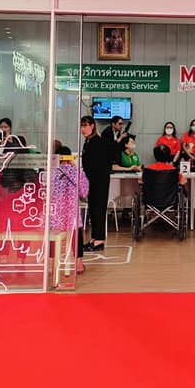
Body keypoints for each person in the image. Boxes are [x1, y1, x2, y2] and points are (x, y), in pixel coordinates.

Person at [51, 145, 89, 274]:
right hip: (71, 212)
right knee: (76, 235)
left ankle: (51, 263)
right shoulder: (76, 172)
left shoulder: (52, 171)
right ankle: (79, 263)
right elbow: (84, 192)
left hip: (55, 213)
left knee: (52, 235)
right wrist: (76, 167)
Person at [80, 115, 111, 252]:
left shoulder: (97, 141)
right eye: (81, 126)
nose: (83, 129)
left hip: (99, 181)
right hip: (91, 180)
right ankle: (94, 238)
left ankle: (99, 240)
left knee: (99, 209)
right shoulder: (87, 142)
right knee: (93, 209)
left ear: (92, 126)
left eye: (85, 126)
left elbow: (98, 163)